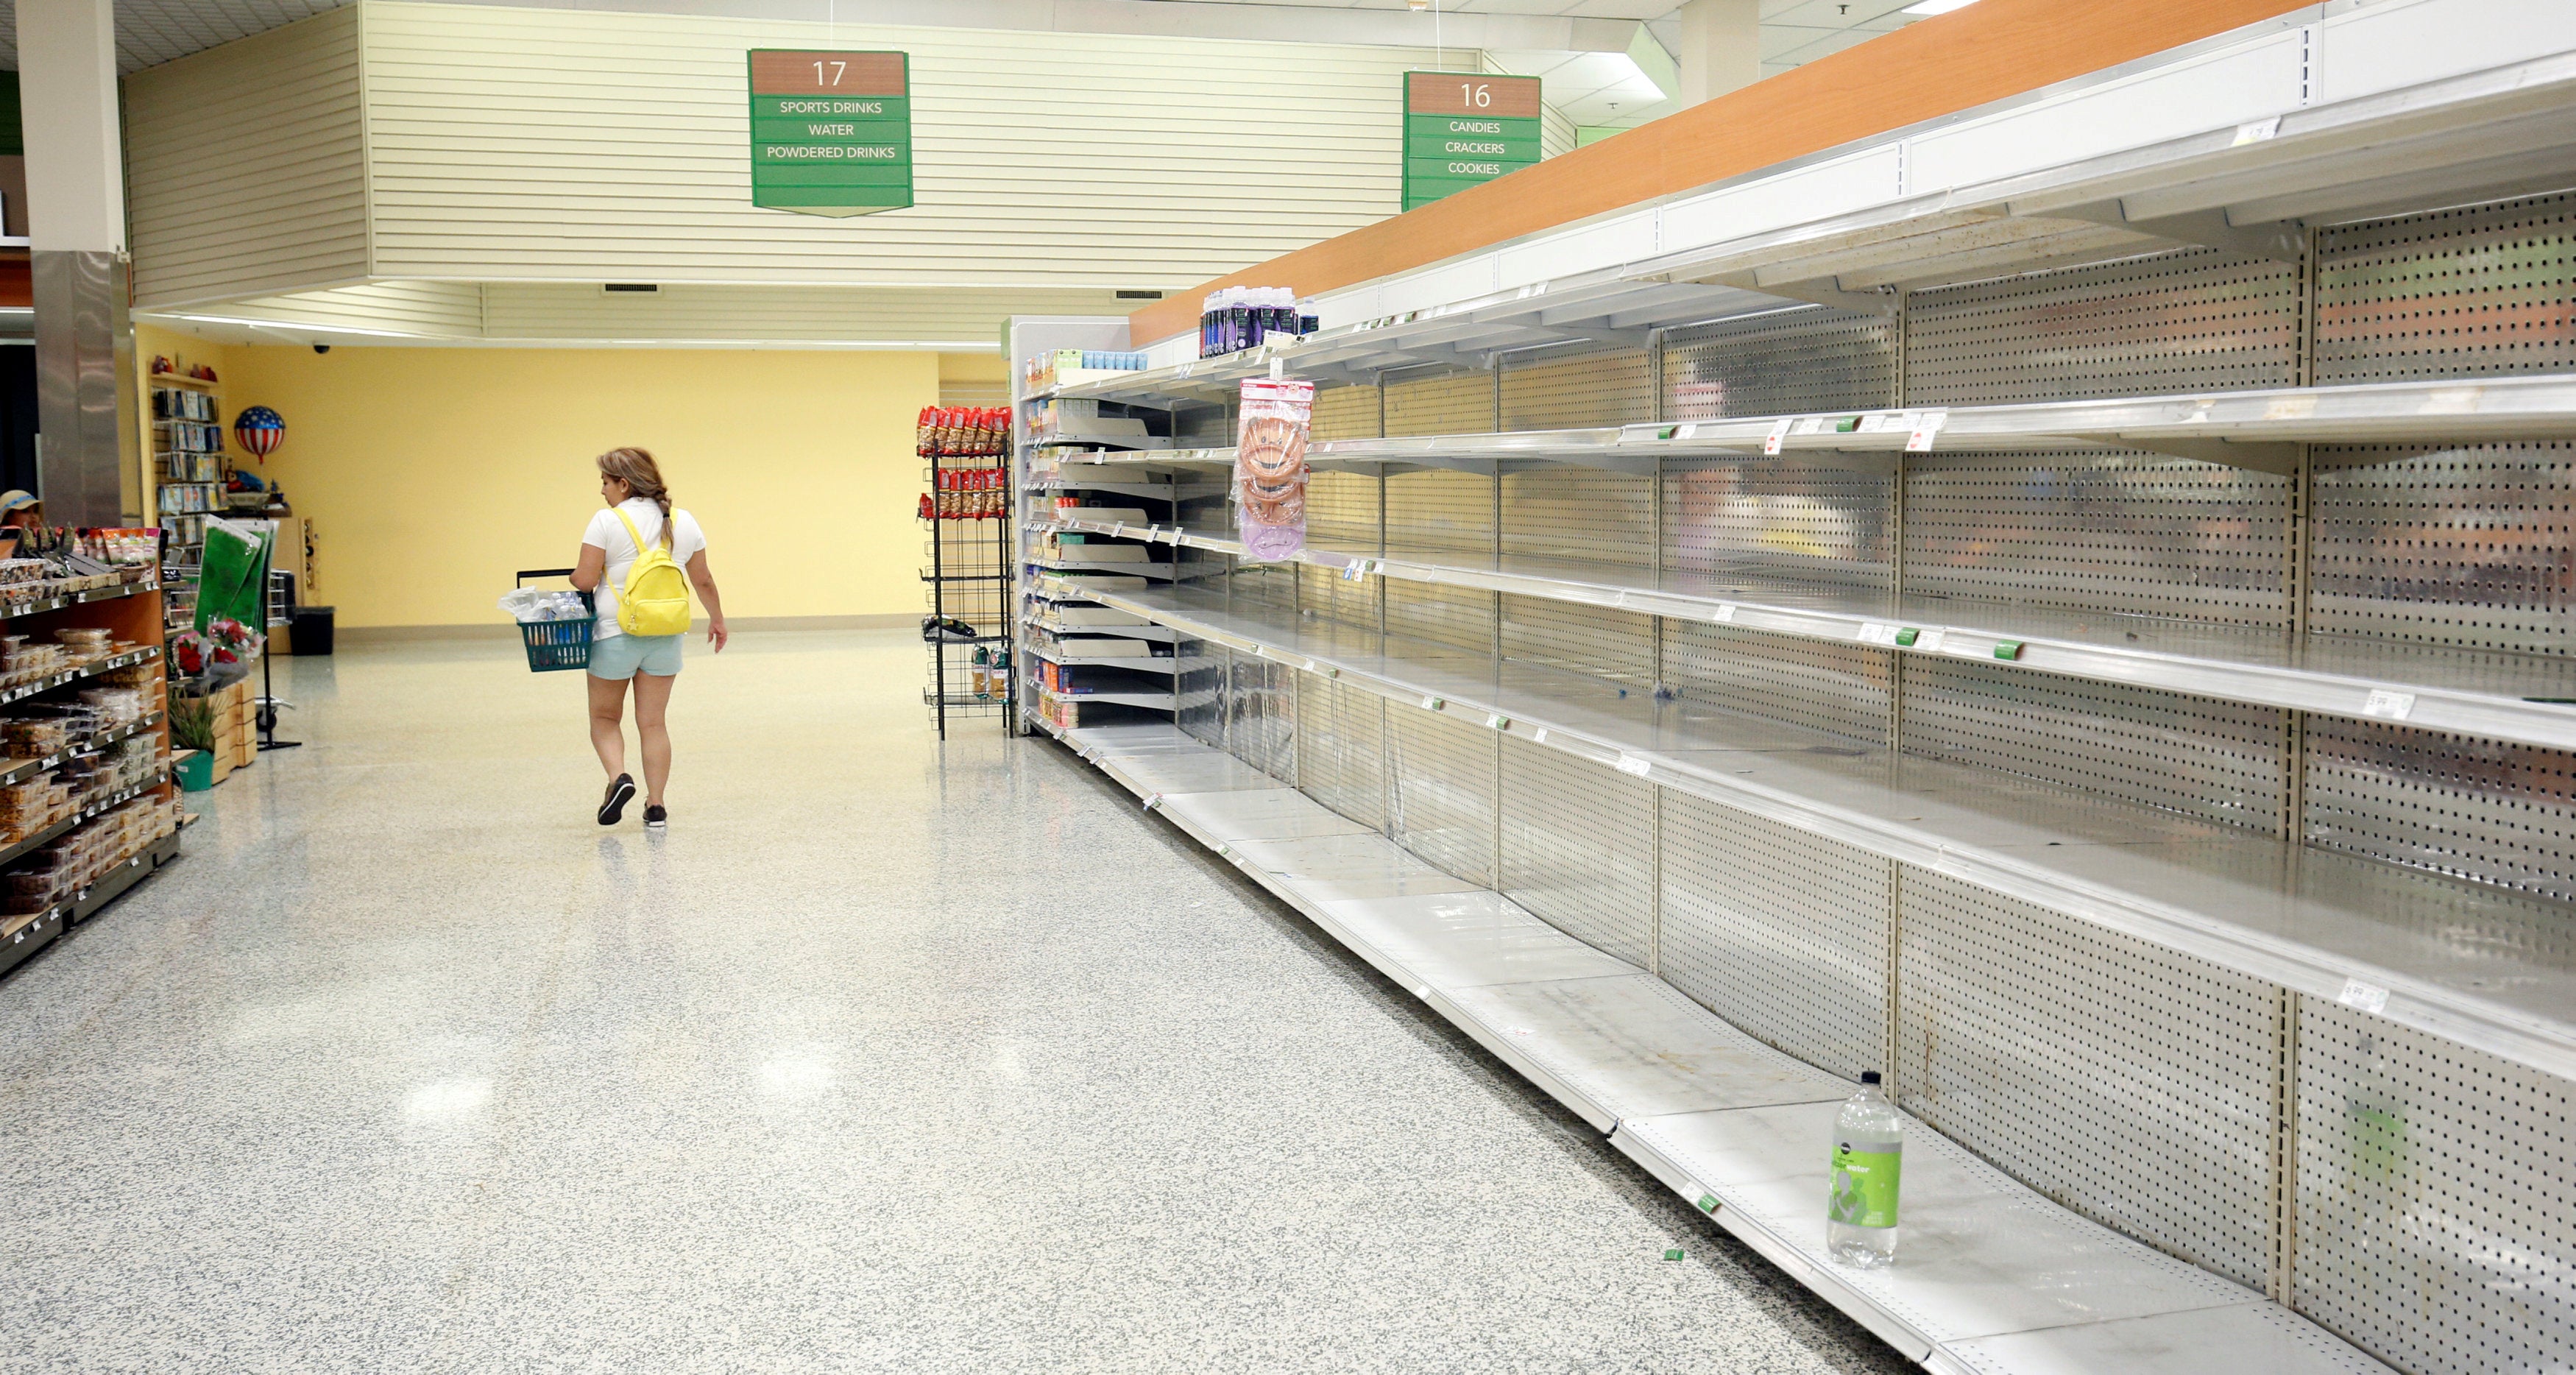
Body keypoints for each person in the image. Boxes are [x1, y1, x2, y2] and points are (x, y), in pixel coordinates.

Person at [570, 448, 726, 830]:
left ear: (624, 484)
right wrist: (717, 619)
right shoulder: (684, 520)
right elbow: (703, 579)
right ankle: (656, 806)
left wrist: (576, 576)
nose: (602, 491)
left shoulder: (607, 521)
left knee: (605, 717)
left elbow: (585, 581)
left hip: (615, 633)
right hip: (666, 634)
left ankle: (618, 778)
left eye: (606, 483)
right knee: (654, 723)